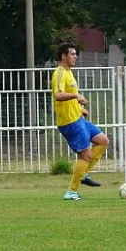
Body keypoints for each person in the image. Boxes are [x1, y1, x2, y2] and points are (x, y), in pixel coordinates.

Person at [51, 43, 109, 201]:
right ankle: (71, 192)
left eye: (76, 54)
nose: (75, 57)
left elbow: (68, 97)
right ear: (63, 56)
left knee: (103, 141)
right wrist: (76, 97)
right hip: (69, 122)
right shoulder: (60, 73)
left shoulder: (70, 73)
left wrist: (79, 109)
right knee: (86, 155)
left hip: (77, 117)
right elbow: (58, 95)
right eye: (72, 54)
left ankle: (84, 174)